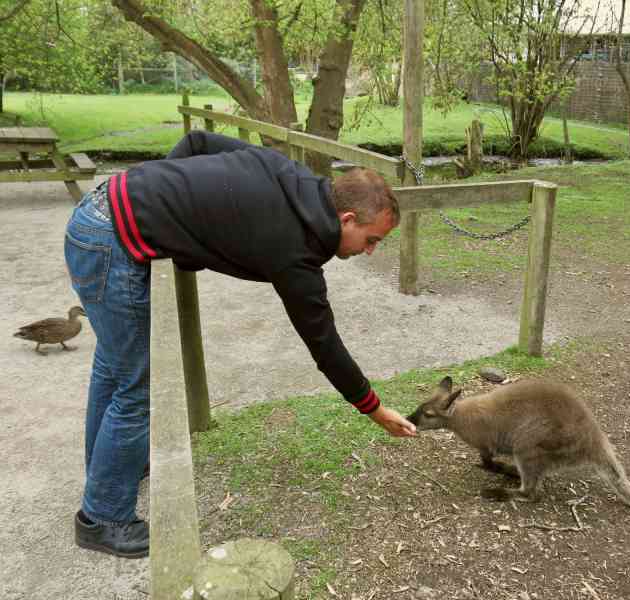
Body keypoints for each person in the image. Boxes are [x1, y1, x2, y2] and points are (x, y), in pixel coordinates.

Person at [65, 130, 417, 559]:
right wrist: (376, 411)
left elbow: (196, 144)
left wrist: (167, 204)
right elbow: (325, 346)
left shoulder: (289, 173)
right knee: (136, 384)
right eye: (372, 240)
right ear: (346, 219)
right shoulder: (296, 251)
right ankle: (102, 518)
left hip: (100, 212)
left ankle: (109, 475)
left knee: (115, 367)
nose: (371, 251)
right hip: (109, 241)